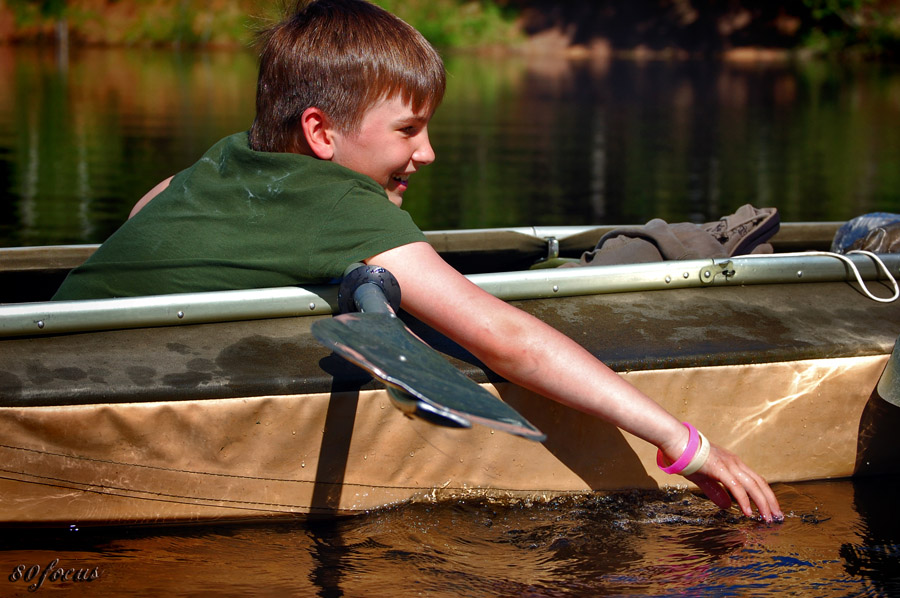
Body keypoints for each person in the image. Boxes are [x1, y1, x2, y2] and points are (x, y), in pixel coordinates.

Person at [52, 0, 783, 522]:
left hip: (57, 340)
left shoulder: (223, 158)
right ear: (321, 132)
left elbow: (146, 209)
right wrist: (684, 444)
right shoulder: (343, 205)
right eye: (409, 130)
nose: (427, 153)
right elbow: (508, 340)